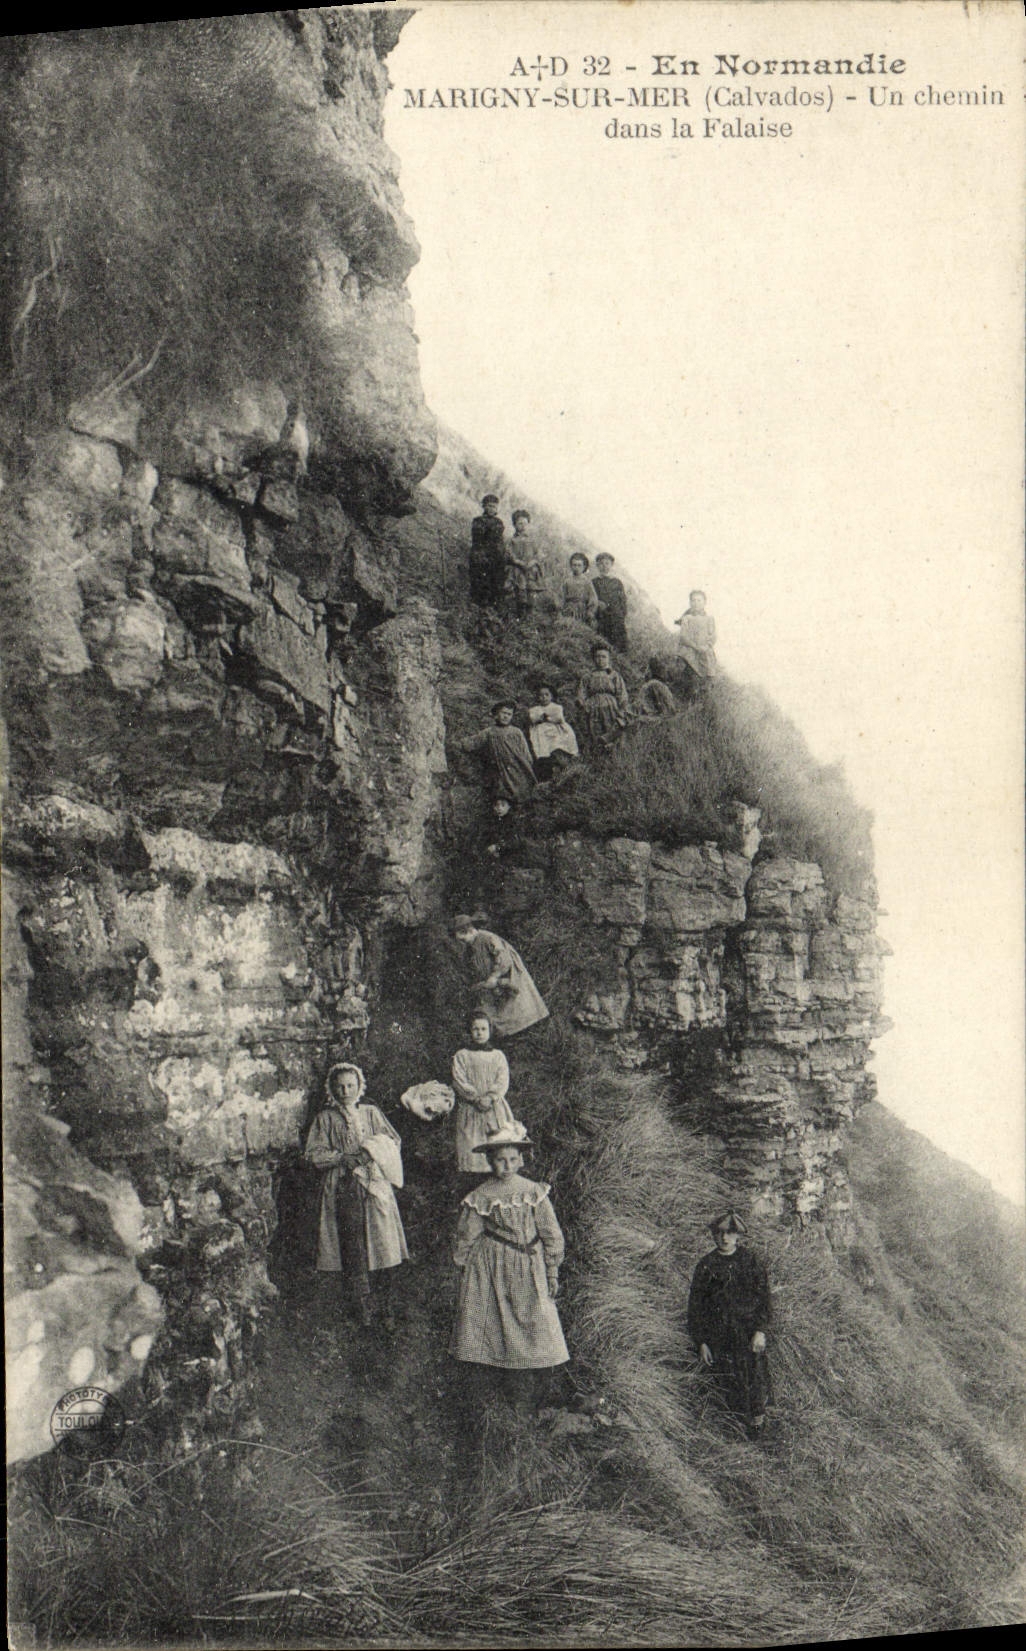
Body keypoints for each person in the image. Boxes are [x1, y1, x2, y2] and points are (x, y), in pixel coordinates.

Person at [450, 1122, 569, 1415]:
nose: (506, 1166)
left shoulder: (533, 1192)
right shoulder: (482, 1195)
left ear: (521, 1160)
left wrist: (552, 1269)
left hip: (530, 1263)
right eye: (500, 1160)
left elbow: (551, 1234)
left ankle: (539, 1391)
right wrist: (462, 1265)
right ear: (490, 1161)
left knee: (537, 1320)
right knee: (493, 1320)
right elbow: (467, 1234)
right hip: (492, 1266)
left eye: (512, 1159)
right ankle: (498, 1388)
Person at [304, 1063, 409, 1331]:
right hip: (342, 1183)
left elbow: (392, 1140)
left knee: (382, 1241)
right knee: (352, 1244)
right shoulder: (326, 1118)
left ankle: (386, 1307)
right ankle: (360, 1307)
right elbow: (313, 1153)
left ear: (359, 1086)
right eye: (340, 1086)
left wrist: (370, 1152)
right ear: (332, 1088)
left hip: (373, 1182)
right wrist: (341, 1158)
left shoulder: (371, 1113)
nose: (345, 1090)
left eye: (350, 1085)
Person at [686, 1211, 773, 1437]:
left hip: (747, 1334)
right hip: (718, 1337)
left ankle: (757, 1430)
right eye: (720, 1233)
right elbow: (695, 1308)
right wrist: (702, 1342)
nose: (725, 1238)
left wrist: (760, 1331)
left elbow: (764, 1299)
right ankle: (730, 1432)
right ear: (713, 1235)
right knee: (725, 1383)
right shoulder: (706, 1266)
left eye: (730, 1233)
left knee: (753, 1379)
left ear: (738, 1236)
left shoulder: (750, 1262)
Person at [450, 914, 549, 1037]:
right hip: (492, 986)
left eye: (462, 939)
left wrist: (494, 976)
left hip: (506, 979)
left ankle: (525, 1034)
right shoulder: (470, 947)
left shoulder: (488, 938)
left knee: (516, 1010)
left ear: (469, 931)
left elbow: (504, 960)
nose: (462, 943)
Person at [451, 1013, 515, 1177]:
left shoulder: (498, 1056)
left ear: (490, 1031)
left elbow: (502, 1080)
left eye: (483, 1029)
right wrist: (475, 1098)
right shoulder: (461, 1055)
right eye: (475, 1029)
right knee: (471, 1150)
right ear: (470, 1031)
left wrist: (490, 1097)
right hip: (471, 1110)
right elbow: (459, 1080)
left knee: (498, 1147)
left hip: (494, 1109)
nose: (479, 1033)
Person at [468, 701, 537, 803]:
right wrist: (460, 744)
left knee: (522, 790)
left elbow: (525, 751)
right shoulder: (489, 732)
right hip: (500, 769)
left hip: (517, 767)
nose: (506, 716)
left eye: (509, 714)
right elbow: (474, 742)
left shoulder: (516, 732)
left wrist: (528, 763)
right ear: (496, 715)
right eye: (503, 713)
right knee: (503, 794)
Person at [576, 643, 629, 747]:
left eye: (603, 657)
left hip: (611, 706)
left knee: (612, 730)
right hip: (592, 706)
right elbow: (582, 691)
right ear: (593, 659)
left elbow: (622, 693)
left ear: (609, 659)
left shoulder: (614, 675)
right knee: (594, 730)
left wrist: (622, 708)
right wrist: (582, 703)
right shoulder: (588, 676)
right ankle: (596, 752)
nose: (600, 659)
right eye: (597, 656)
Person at [527, 684, 579, 781]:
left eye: (547, 695)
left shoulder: (556, 707)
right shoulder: (535, 709)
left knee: (557, 743)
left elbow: (559, 719)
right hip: (541, 731)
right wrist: (540, 718)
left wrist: (548, 718)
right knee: (543, 748)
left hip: (555, 729)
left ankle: (563, 766)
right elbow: (533, 719)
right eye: (541, 695)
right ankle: (548, 770)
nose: (544, 697)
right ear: (537, 697)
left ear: (551, 696)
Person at [674, 590, 718, 699]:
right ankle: (689, 699)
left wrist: (707, 646)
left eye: (699, 600)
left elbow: (713, 636)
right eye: (693, 600)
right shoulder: (687, 619)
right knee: (691, 678)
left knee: (707, 678)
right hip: (690, 651)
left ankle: (704, 701)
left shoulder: (709, 619)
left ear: (704, 602)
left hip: (704, 651)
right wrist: (695, 647)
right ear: (690, 603)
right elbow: (683, 637)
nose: (696, 603)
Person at [506, 510, 546, 619]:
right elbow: (509, 553)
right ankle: (520, 616)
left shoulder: (532, 540)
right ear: (514, 524)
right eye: (520, 523)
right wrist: (518, 562)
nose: (523, 526)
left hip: (531, 571)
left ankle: (530, 617)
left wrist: (533, 562)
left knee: (532, 593)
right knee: (520, 593)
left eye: (525, 523)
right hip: (518, 570)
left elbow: (539, 554)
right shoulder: (512, 540)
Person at [469, 494, 507, 606]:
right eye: (489, 506)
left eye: (494, 507)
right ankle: (477, 603)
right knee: (479, 579)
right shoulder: (478, 520)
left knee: (495, 580)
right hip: (481, 553)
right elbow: (478, 538)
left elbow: (500, 539)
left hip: (495, 556)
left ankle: (492, 606)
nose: (492, 509)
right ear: (484, 506)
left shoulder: (499, 522)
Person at [591, 552, 628, 652]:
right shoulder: (594, 582)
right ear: (597, 566)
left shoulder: (617, 582)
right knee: (603, 642)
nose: (604, 566)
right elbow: (590, 598)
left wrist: (621, 615)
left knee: (618, 644)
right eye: (601, 564)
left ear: (611, 565)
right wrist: (597, 603)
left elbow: (623, 601)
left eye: (607, 563)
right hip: (601, 616)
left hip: (616, 617)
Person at [561, 552, 599, 624]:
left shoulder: (587, 582)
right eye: (574, 565)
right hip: (568, 610)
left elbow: (593, 598)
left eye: (579, 565)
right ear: (571, 566)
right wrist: (563, 609)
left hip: (582, 611)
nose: (576, 568)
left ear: (584, 567)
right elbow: (562, 597)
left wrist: (590, 612)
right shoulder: (567, 581)